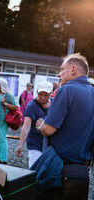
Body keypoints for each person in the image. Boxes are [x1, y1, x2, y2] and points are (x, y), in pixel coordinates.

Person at [35, 53, 94, 200]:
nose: (58, 74)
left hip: (59, 169)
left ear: (73, 69)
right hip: (82, 172)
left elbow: (48, 129)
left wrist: (40, 125)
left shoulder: (66, 90)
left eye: (62, 69)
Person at [16, 81, 53, 168]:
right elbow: (26, 126)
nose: (43, 97)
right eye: (40, 94)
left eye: (46, 95)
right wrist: (20, 145)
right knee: (34, 169)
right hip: (35, 143)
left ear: (50, 94)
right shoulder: (31, 106)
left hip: (50, 144)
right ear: (36, 92)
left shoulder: (54, 104)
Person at [0, 79, 16, 164]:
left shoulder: (8, 95)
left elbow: (15, 107)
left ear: (2, 86)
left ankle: (3, 158)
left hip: (2, 121)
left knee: (2, 139)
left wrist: (5, 104)